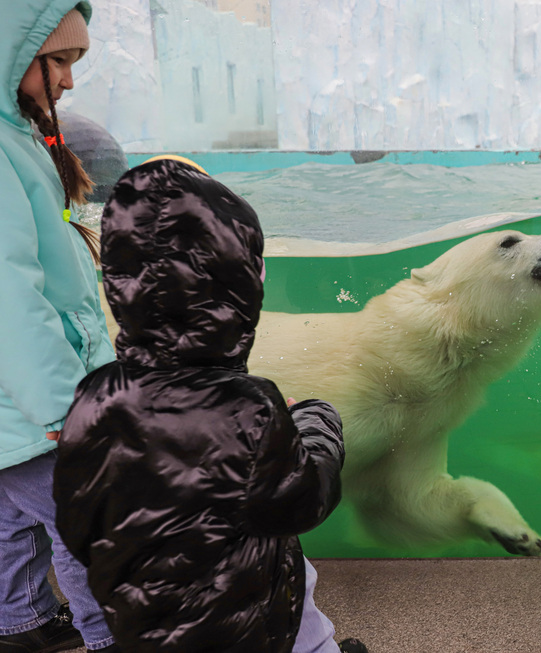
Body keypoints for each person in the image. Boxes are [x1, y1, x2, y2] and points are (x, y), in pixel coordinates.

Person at [51, 156, 367, 653]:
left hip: (144, 630)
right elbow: (303, 501)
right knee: (288, 573)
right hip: (250, 632)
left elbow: (75, 522)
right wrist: (313, 419)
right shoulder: (251, 409)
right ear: (241, 287)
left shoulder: (94, 397)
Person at [0, 2, 118, 651]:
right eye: (60, 61)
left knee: (13, 517)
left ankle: (20, 620)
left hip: (11, 400)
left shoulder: (18, 133)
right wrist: (61, 407)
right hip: (36, 394)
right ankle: (111, 637)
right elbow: (7, 294)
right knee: (89, 523)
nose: (69, 81)